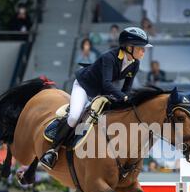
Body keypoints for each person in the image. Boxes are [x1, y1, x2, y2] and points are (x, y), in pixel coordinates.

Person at [40, 27, 152, 170]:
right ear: (129, 47)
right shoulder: (109, 58)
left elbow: (126, 89)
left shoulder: (135, 64)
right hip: (84, 87)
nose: (144, 51)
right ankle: (52, 151)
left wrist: (126, 101)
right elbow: (107, 84)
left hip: (100, 92)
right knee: (75, 117)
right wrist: (123, 97)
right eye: (141, 48)